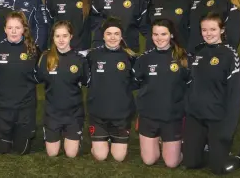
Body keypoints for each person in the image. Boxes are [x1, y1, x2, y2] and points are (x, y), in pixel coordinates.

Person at [181, 13, 240, 174]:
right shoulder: (198, 52)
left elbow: (235, 96)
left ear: (222, 30)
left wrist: (228, 128)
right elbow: (191, 84)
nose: (208, 33)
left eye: (213, 29)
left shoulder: (230, 55)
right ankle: (207, 147)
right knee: (190, 163)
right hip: (196, 116)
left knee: (219, 169)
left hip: (218, 118)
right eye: (204, 30)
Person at [133, 18, 189, 168]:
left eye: (163, 34)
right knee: (149, 160)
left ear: (171, 35)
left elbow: (191, 85)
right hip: (149, 115)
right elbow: (134, 82)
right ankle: (157, 140)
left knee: (171, 163)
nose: (159, 38)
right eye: (155, 34)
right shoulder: (144, 58)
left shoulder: (182, 57)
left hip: (172, 116)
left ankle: (178, 146)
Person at [83, 16, 137, 162]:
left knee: (119, 157)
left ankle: (112, 139)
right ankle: (101, 140)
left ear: (121, 36)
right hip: (98, 114)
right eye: (109, 33)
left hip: (121, 115)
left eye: (116, 34)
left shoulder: (130, 57)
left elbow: (136, 82)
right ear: (103, 35)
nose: (112, 37)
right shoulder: (92, 55)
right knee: (100, 156)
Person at [0, 11, 40, 155]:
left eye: (17, 27)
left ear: (24, 29)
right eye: (10, 28)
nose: (14, 31)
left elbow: (39, 76)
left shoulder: (33, 49)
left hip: (24, 106)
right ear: (4, 29)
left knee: (22, 150)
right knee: (3, 151)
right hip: (2, 106)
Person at [36, 20, 89, 157]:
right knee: (52, 153)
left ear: (71, 36)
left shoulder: (80, 60)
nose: (61, 40)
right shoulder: (46, 58)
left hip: (73, 114)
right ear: (52, 37)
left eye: (65, 36)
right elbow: (37, 79)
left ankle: (76, 136)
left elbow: (86, 82)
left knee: (71, 154)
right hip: (52, 114)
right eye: (57, 36)